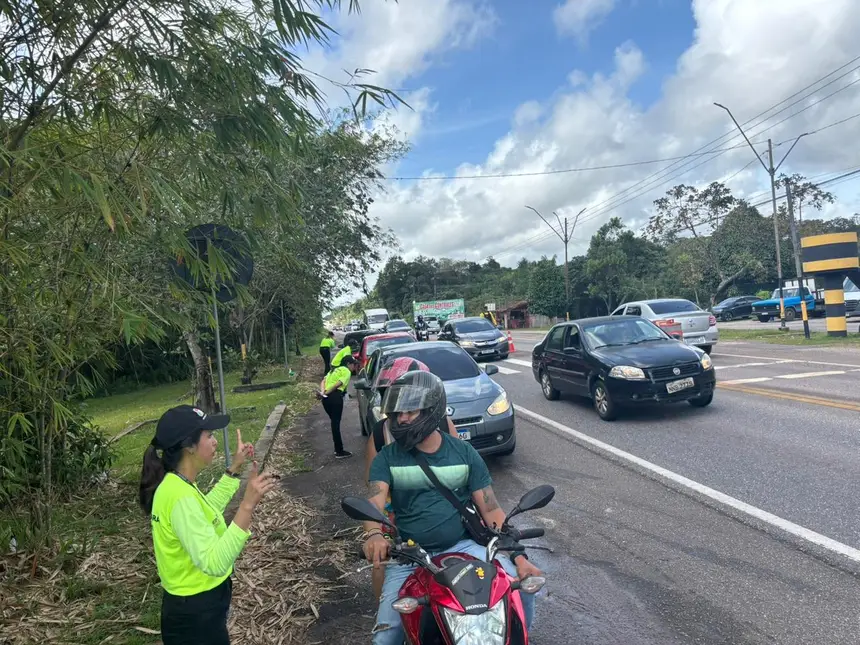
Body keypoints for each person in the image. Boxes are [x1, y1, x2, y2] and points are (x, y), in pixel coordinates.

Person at [363, 370, 542, 645]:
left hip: (464, 547)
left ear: (433, 410)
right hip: (410, 555)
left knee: (517, 590)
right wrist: (374, 534)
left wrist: (518, 556)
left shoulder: (463, 453)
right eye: (398, 413)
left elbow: (491, 510)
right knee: (386, 636)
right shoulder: (387, 458)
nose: (402, 419)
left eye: (410, 411)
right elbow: (374, 502)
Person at [139, 405, 279, 645]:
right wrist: (247, 505)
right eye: (209, 435)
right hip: (196, 616)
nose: (215, 442)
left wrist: (235, 468)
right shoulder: (180, 497)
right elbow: (214, 562)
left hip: (195, 607)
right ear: (190, 446)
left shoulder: (177, 484)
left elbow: (206, 511)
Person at [361, 356, 460, 601]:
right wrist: (375, 533)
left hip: (439, 505)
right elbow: (373, 487)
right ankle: (385, 609)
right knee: (380, 565)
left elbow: (458, 464)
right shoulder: (381, 434)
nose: (401, 410)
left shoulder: (444, 425)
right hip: (396, 511)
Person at [318, 354, 360, 459]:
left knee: (334, 422)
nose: (354, 367)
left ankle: (337, 449)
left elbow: (323, 381)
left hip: (325, 399)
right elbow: (338, 384)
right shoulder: (346, 371)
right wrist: (327, 392)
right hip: (335, 397)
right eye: (353, 365)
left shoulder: (333, 370)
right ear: (348, 364)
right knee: (335, 424)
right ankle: (339, 451)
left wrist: (323, 392)